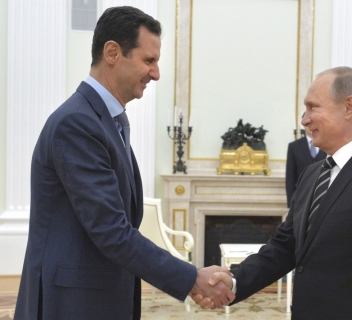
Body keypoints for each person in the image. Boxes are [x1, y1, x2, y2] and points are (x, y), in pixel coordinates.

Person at [14, 6, 232, 320]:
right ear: (113, 52)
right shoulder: (78, 124)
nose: (156, 73)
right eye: (149, 60)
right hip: (72, 306)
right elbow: (111, 230)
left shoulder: (107, 121)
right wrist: (191, 278)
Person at [197, 66, 352, 319]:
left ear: (349, 107)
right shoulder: (312, 174)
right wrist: (234, 282)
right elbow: (285, 247)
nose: (304, 119)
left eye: (313, 107)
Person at [285, 118, 326, 207]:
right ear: (304, 125)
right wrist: (291, 203)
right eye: (308, 123)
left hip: (323, 197)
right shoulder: (294, 146)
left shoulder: (327, 144)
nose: (311, 126)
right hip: (301, 197)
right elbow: (290, 177)